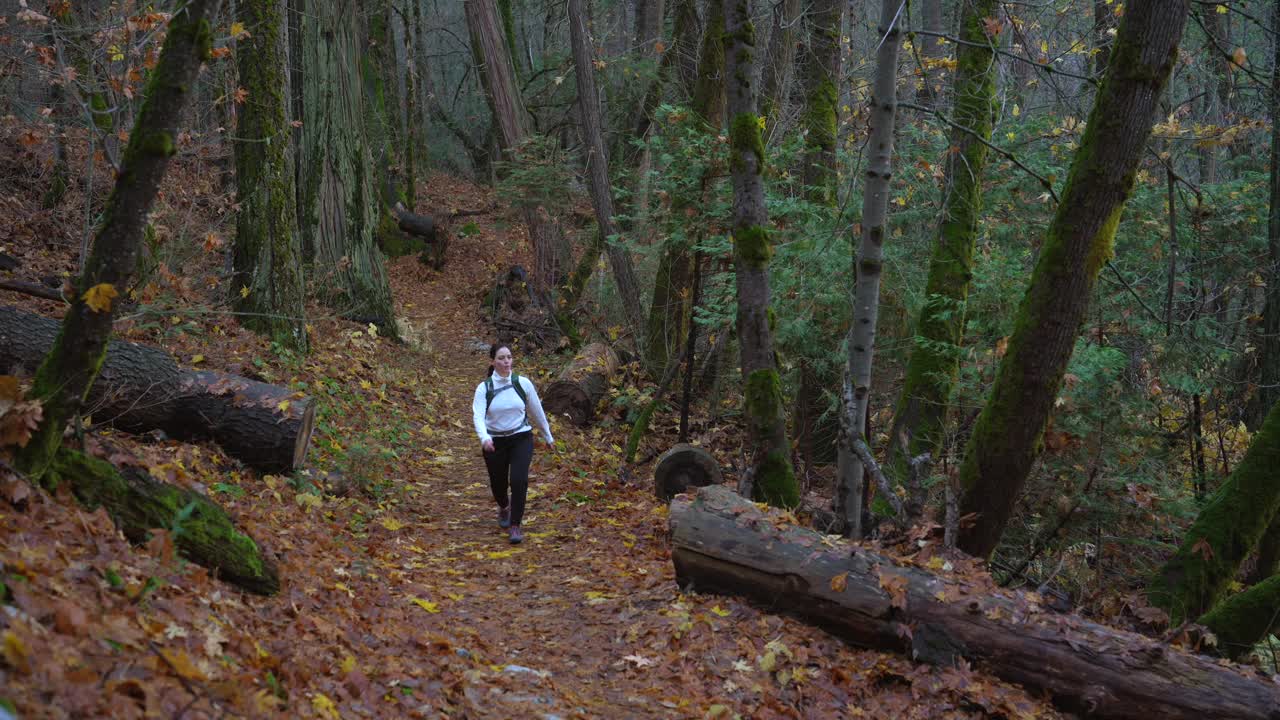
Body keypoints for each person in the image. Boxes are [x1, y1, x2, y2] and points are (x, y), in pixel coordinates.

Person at [472, 343, 554, 543]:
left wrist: (548, 436)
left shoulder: (523, 383)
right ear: (493, 362)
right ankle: (504, 506)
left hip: (521, 437)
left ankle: (515, 524)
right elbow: (478, 416)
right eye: (501, 358)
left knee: (519, 480)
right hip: (495, 442)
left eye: (509, 357)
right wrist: (484, 438)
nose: (506, 361)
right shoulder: (484, 388)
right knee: (498, 483)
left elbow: (536, 410)